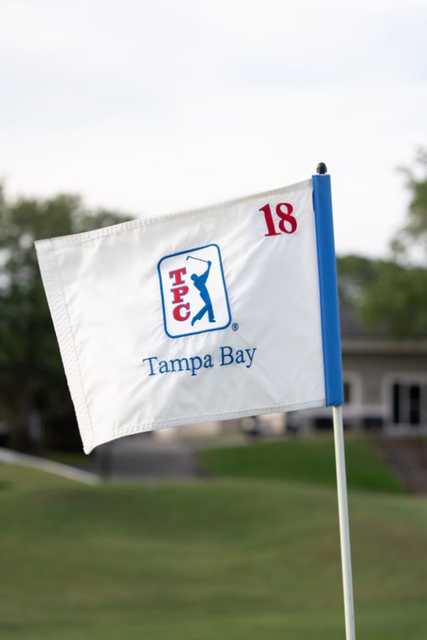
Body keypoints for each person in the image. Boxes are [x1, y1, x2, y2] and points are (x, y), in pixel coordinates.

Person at [190, 260, 215, 325]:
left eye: (196, 276)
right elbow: (206, 274)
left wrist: (209, 266)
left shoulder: (197, 280)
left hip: (204, 292)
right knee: (208, 305)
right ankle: (196, 317)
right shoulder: (197, 281)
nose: (197, 276)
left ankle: (210, 318)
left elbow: (205, 274)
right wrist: (209, 266)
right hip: (204, 292)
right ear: (195, 278)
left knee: (209, 305)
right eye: (196, 276)